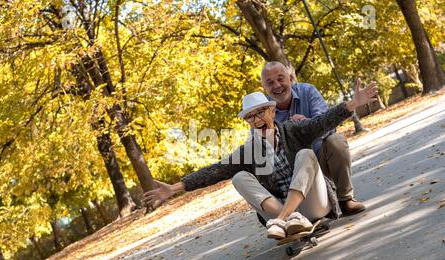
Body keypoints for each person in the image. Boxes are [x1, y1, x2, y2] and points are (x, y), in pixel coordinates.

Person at [143, 81, 377, 240]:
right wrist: (173, 189)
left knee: (305, 154)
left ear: (272, 112)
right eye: (251, 117)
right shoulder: (250, 150)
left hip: (314, 203)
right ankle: (289, 218)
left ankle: (287, 219)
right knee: (238, 177)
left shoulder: (294, 130)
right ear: (248, 122)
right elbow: (215, 170)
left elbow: (323, 121)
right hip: (275, 211)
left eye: (260, 112)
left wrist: (353, 104)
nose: (256, 119)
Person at [261, 61, 365, 215]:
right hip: (294, 175)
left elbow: (328, 124)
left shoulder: (307, 91)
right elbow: (263, 153)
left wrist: (307, 125)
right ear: (264, 88)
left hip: (321, 160)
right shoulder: (261, 112)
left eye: (280, 79)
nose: (276, 85)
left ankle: (345, 199)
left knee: (336, 140)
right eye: (270, 82)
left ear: (290, 78)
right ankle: (299, 211)